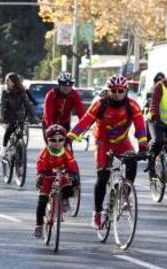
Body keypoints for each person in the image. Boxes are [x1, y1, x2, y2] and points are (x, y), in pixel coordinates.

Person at [67, 74, 148, 230]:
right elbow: (85, 122)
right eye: (114, 90)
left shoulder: (132, 105)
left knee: (132, 160)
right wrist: (70, 137)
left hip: (122, 140)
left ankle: (125, 194)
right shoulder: (100, 104)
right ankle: (97, 213)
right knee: (103, 176)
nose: (117, 94)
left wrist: (143, 146)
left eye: (120, 90)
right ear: (108, 90)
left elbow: (140, 127)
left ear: (126, 90)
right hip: (102, 141)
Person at [33, 124, 80, 238]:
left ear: (64, 140)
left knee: (70, 183)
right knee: (42, 201)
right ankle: (39, 225)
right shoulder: (45, 151)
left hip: (61, 176)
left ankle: (63, 200)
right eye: (53, 140)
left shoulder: (66, 152)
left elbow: (73, 165)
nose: (57, 142)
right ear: (47, 141)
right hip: (47, 177)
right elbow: (40, 164)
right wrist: (41, 174)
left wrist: (74, 175)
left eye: (60, 140)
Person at [0, 72, 38, 157]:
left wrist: (34, 116)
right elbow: (2, 105)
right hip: (8, 114)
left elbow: (27, 104)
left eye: (8, 80)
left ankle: (20, 157)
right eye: (6, 80)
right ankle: (4, 147)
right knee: (9, 130)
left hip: (19, 115)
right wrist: (1, 116)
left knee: (20, 134)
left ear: (13, 81)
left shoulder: (21, 91)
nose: (6, 82)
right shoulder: (5, 92)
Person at [43, 72, 85, 143]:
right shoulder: (52, 94)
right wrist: (50, 127)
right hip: (50, 123)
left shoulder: (74, 95)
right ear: (59, 85)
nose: (67, 88)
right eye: (64, 85)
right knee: (53, 146)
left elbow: (81, 113)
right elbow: (48, 113)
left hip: (65, 124)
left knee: (68, 146)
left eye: (70, 85)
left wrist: (81, 128)